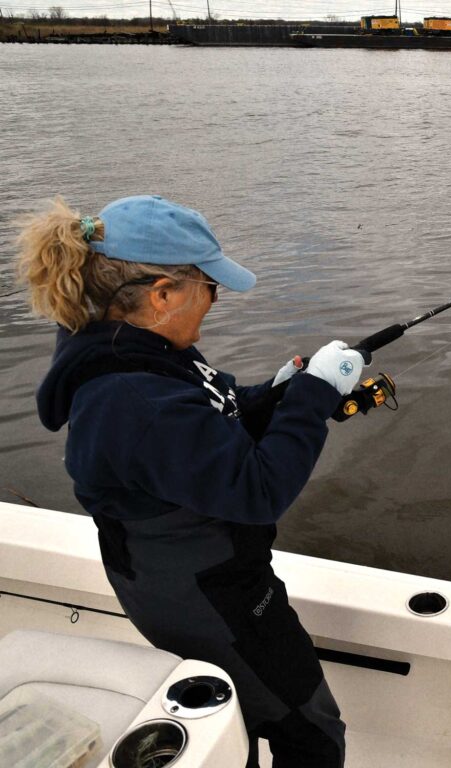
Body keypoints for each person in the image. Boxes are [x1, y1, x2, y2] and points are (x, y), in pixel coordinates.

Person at [18, 194, 364, 767]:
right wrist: (310, 400)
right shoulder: (134, 399)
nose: (215, 298)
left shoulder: (140, 346)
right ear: (162, 295)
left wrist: (281, 392)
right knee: (312, 730)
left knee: (245, 717)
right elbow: (258, 489)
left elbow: (210, 414)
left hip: (197, 578)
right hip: (209, 595)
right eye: (209, 285)